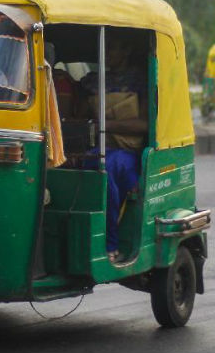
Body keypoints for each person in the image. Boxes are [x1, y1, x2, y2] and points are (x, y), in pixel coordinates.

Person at [82, 34, 148, 264]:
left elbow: (144, 124)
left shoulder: (141, 81)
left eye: (113, 47)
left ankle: (110, 242)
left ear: (127, 51)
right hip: (98, 149)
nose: (107, 53)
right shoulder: (92, 81)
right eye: (106, 47)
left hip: (126, 151)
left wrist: (106, 125)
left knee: (109, 169)